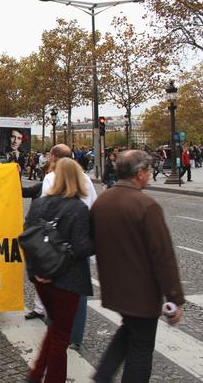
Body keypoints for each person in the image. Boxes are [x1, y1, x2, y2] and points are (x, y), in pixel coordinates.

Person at [91, 150, 184, 381]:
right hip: (142, 291)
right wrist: (174, 297)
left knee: (129, 331)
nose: (150, 174)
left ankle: (102, 376)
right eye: (149, 170)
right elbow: (163, 256)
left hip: (114, 286)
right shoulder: (146, 205)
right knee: (141, 348)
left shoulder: (103, 200)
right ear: (139, 173)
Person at [24, 158, 93, 383]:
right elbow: (82, 248)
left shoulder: (38, 204)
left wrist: (36, 272)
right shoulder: (78, 208)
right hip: (67, 281)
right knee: (61, 336)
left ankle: (36, 374)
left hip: (41, 278)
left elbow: (28, 238)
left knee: (54, 328)